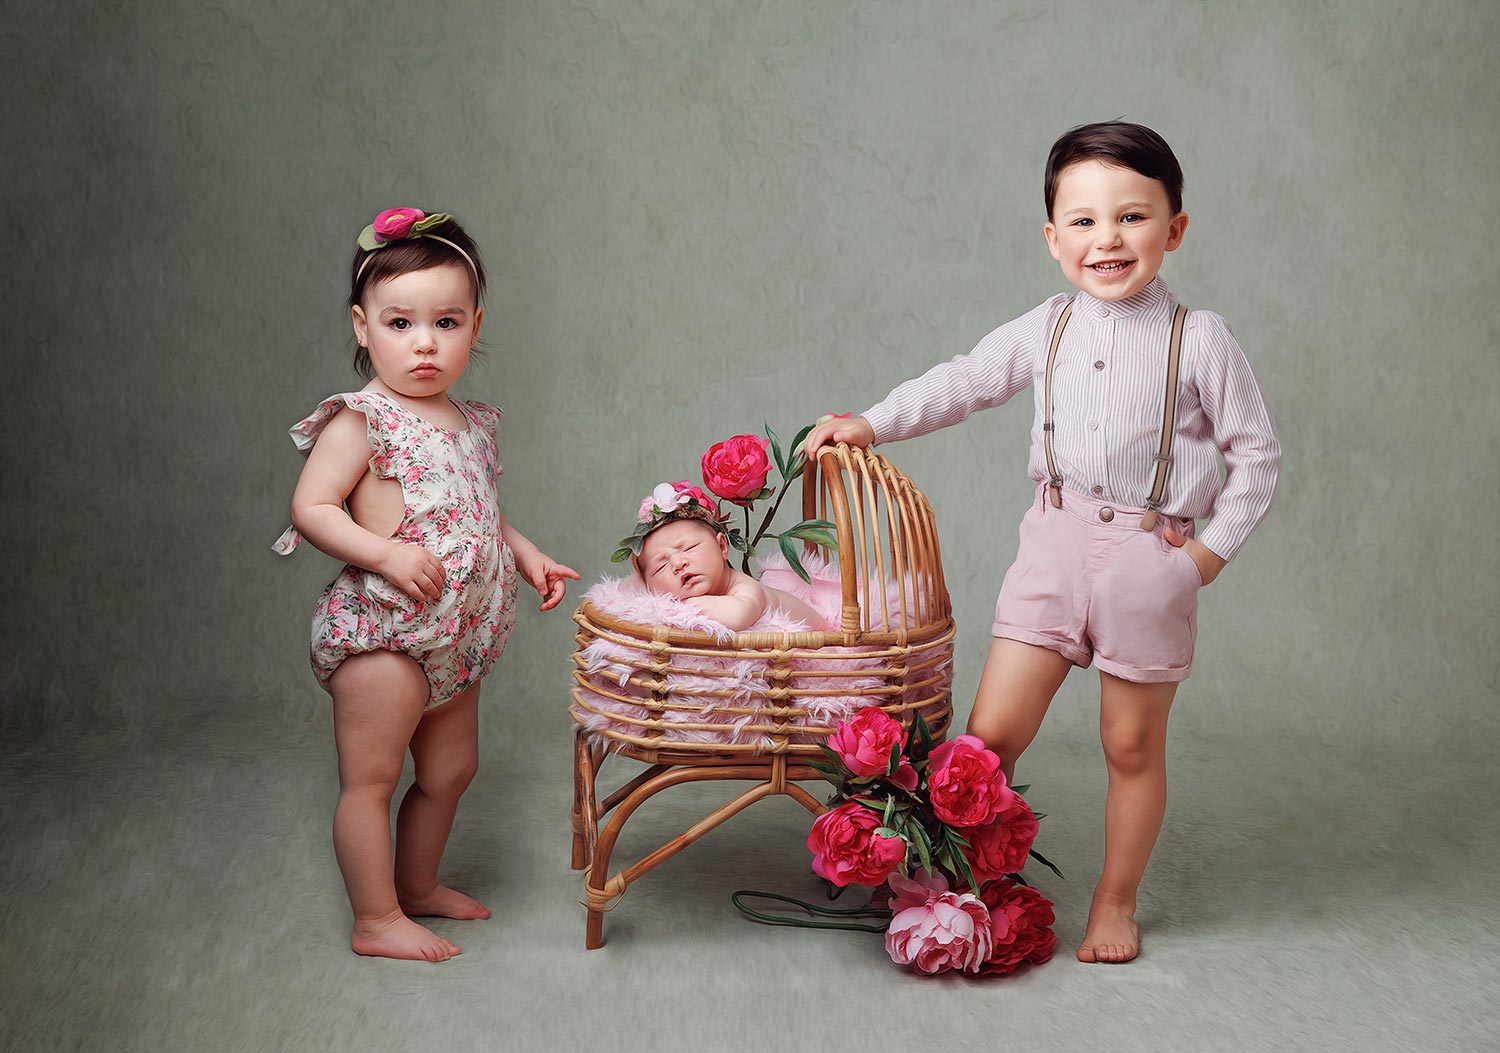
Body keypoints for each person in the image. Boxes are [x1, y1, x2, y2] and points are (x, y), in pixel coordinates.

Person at [803, 122, 1280, 964]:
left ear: (1174, 228)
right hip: (1053, 544)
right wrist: (872, 422)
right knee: (988, 737)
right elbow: (965, 379)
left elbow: (1259, 455)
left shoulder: (1199, 337)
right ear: (1053, 237)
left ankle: (1115, 899)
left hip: (1148, 559)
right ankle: (944, 879)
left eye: (1133, 217)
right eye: (1085, 221)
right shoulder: (1048, 324)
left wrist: (1205, 558)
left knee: (1130, 744)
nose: (1108, 239)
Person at [274, 207, 579, 962]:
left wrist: (526, 554)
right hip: (386, 633)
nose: (424, 343)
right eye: (400, 323)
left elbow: (477, 511)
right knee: (372, 779)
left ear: (475, 325)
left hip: (456, 638)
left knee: (449, 770)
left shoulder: (468, 421)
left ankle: (416, 886)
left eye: (446, 322)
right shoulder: (363, 420)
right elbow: (313, 507)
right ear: (362, 325)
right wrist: (384, 554)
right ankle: (375, 917)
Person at [621, 482, 826, 631]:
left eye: (689, 548)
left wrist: (676, 607)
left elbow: (737, 616)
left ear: (722, 546)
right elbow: (624, 589)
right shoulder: (658, 584)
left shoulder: (745, 588)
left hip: (822, 649)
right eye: (660, 567)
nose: (677, 563)